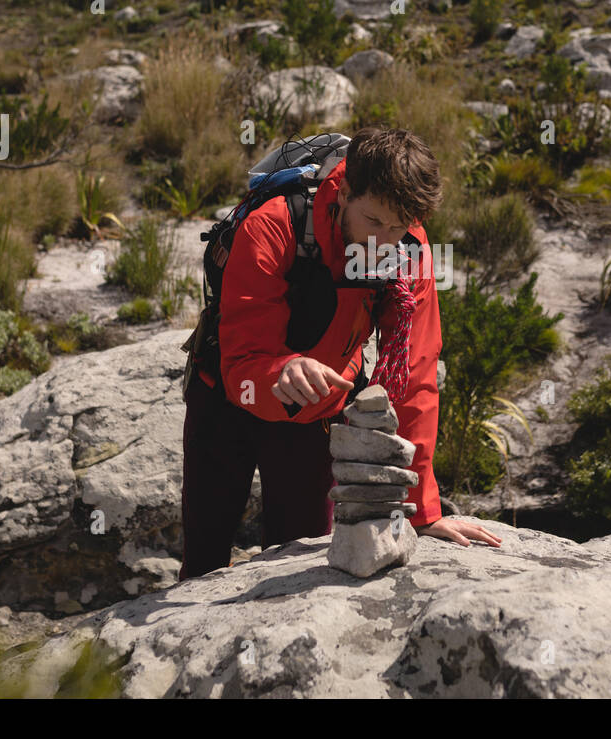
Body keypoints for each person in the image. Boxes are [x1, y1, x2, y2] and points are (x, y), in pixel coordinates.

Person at [179, 126, 501, 578]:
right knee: (203, 561)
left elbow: (415, 375)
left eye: (397, 226)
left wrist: (423, 510)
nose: (383, 242)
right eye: (373, 222)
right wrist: (281, 369)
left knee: (300, 562)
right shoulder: (274, 224)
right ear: (345, 192)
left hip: (315, 412)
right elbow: (242, 365)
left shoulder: (407, 246)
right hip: (225, 404)